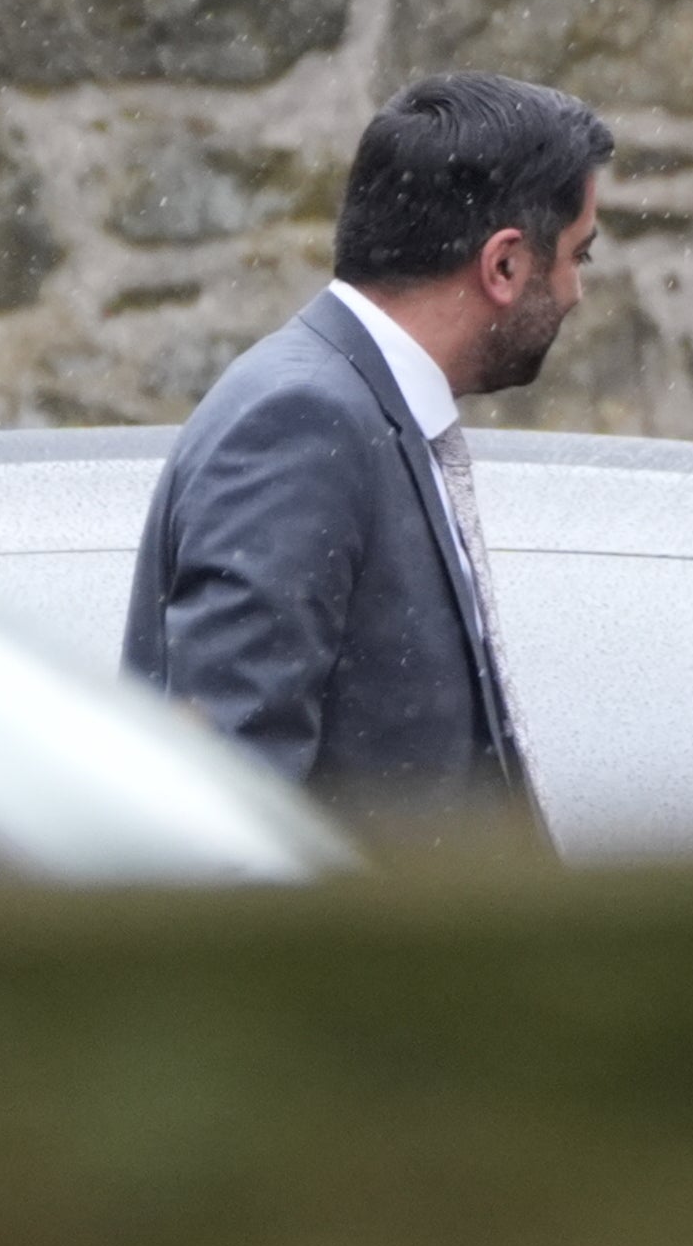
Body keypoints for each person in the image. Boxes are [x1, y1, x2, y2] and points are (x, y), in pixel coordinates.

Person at [124, 72, 612, 813]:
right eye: (581, 253)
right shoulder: (300, 420)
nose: (576, 290)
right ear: (505, 264)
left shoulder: (357, 408)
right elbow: (229, 808)